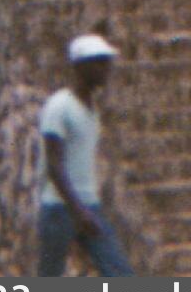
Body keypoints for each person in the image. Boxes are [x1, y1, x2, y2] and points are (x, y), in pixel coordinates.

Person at [37, 32, 135, 277]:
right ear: (81, 67)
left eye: (106, 63)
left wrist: (85, 209)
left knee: (119, 271)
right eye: (99, 63)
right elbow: (53, 164)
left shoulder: (91, 108)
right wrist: (77, 210)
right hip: (60, 207)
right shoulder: (59, 106)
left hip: (88, 205)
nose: (106, 69)